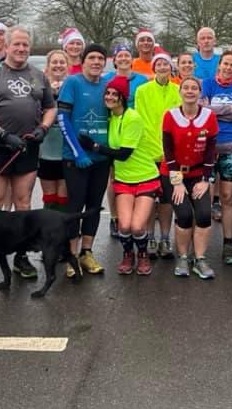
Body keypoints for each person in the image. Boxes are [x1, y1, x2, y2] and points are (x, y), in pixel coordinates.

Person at [0, 26, 56, 285]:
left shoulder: (37, 75)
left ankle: (21, 256)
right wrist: (1, 134)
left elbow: (50, 107)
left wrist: (43, 128)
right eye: (17, 45)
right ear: (7, 46)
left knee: (23, 204)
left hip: (27, 147)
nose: (21, 49)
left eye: (25, 45)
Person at [78, 76, 161, 276]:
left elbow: (124, 154)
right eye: (107, 93)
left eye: (115, 94)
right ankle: (127, 254)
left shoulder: (132, 117)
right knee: (123, 225)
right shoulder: (110, 117)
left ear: (123, 97)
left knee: (137, 226)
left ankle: (142, 255)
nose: (110, 97)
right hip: (124, 179)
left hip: (145, 176)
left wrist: (95, 147)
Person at [56, 43, 111, 276]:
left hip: (101, 158)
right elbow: (62, 118)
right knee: (75, 207)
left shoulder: (108, 86)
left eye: (100, 58)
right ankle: (71, 256)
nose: (96, 62)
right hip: (75, 158)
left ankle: (86, 253)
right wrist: (77, 152)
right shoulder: (73, 83)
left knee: (95, 206)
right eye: (92, 58)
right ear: (84, 60)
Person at [162, 77, 219, 279]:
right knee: (184, 214)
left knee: (204, 214)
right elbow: (168, 152)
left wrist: (205, 179)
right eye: (186, 87)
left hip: (198, 175)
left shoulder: (209, 116)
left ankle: (200, 259)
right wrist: (177, 182)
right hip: (173, 175)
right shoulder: (170, 116)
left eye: (194, 88)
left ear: (200, 92)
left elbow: (211, 150)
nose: (189, 91)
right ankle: (183, 257)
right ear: (180, 92)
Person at [133, 51, 181, 259]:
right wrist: (153, 148)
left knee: (167, 199)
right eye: (159, 65)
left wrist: (169, 150)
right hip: (149, 151)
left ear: (171, 68)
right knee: (150, 197)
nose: (163, 68)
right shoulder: (142, 90)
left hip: (172, 153)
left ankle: (165, 237)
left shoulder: (178, 90)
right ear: (153, 68)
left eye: (166, 65)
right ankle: (150, 236)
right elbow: (141, 120)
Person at [201, 50, 232, 264]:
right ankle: (200, 247)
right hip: (208, 147)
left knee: (228, 197)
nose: (229, 68)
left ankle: (228, 244)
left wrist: (215, 109)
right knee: (205, 198)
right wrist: (228, 108)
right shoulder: (208, 83)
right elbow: (203, 110)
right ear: (219, 65)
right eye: (225, 64)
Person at [39, 49, 70, 213]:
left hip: (67, 149)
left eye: (62, 62)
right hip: (46, 149)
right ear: (48, 66)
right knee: (49, 195)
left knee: (64, 195)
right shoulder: (40, 87)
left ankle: (65, 231)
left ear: (67, 66)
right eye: (54, 62)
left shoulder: (72, 86)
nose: (58, 65)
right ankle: (48, 232)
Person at [111, 43, 148, 108]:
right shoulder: (106, 79)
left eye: (127, 56)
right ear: (114, 61)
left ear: (132, 60)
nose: (123, 58)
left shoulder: (142, 80)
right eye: (120, 56)